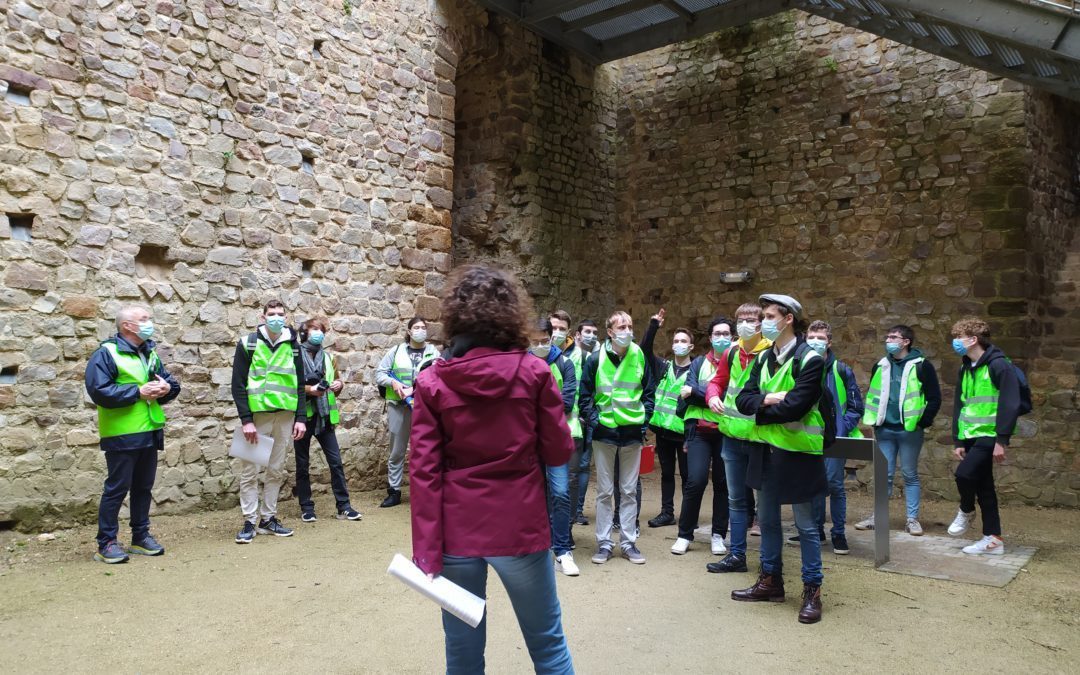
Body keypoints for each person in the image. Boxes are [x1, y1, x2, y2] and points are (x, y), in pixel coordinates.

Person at [409, 264, 575, 674]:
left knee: (463, 656)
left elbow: (424, 472)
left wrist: (427, 551)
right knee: (549, 648)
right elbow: (558, 452)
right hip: (519, 526)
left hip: (458, 532)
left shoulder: (432, 382)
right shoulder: (536, 373)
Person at [735, 294, 826, 624]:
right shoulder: (761, 359)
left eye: (770, 316)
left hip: (798, 453)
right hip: (765, 451)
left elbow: (797, 406)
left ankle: (812, 591)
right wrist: (769, 399)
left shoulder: (811, 359)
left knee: (806, 527)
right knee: (768, 520)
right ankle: (770, 581)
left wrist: (761, 407)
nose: (762, 323)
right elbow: (743, 399)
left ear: (788, 318)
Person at [85, 306, 181, 563]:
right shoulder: (106, 354)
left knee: (143, 487)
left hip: (149, 431)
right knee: (116, 489)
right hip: (121, 433)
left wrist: (166, 388)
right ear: (127, 326)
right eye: (144, 319)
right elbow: (99, 391)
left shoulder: (149, 353)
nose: (149, 323)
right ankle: (106, 543)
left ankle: (140, 537)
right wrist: (137, 393)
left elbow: (172, 383)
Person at [578, 311, 655, 565]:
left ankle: (628, 542)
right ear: (610, 332)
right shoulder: (595, 359)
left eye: (630, 326)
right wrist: (595, 420)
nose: (627, 330)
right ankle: (604, 543)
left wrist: (643, 423)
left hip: (632, 433)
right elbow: (585, 395)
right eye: (622, 326)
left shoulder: (639, 355)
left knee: (629, 491)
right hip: (604, 434)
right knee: (604, 491)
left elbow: (649, 392)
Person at [230, 300, 307, 543]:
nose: (276, 318)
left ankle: (268, 518)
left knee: (275, 470)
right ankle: (249, 521)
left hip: (284, 417)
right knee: (250, 471)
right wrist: (246, 420)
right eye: (271, 314)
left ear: (286, 318)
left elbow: (300, 384)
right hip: (257, 418)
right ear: (262, 317)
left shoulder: (294, 346)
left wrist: (301, 418)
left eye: (280, 314)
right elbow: (238, 385)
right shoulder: (248, 344)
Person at [946, 318, 1023, 555]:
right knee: (984, 486)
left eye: (959, 337)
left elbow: (1011, 403)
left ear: (973, 339)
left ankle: (966, 510)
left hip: (989, 434)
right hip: (970, 433)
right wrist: (958, 440)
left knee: (964, 474)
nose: (955, 342)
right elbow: (961, 404)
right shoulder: (966, 367)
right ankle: (993, 539)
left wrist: (1002, 440)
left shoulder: (999, 365)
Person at [856, 324, 941, 535]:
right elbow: (876, 394)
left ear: (906, 342)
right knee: (884, 475)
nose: (888, 340)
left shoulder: (922, 365)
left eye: (894, 337)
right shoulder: (881, 364)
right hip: (885, 429)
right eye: (888, 336)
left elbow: (934, 398)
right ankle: (877, 517)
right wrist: (876, 422)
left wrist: (922, 422)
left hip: (909, 430)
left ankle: (912, 520)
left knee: (909, 474)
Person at [791, 320, 863, 555]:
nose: (815, 342)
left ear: (829, 342)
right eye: (811, 337)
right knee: (814, 486)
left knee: (834, 485)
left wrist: (841, 428)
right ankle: (817, 531)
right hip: (807, 438)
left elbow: (855, 407)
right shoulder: (798, 366)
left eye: (820, 338)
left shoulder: (841, 370)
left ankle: (839, 534)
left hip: (835, 439)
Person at [706, 303, 768, 574]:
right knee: (736, 500)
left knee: (765, 502)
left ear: (761, 322)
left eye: (751, 319)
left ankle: (768, 561)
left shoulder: (770, 351)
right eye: (740, 319)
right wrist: (712, 396)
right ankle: (737, 556)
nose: (745, 324)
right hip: (731, 435)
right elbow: (717, 381)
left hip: (760, 437)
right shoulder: (732, 351)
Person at [671, 317, 732, 557]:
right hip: (699, 432)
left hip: (726, 431)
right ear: (710, 338)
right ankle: (684, 535)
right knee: (695, 481)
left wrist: (697, 392)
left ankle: (718, 535)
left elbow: (731, 395)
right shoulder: (698, 364)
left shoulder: (737, 363)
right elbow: (684, 394)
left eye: (726, 333)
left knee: (723, 484)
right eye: (717, 334)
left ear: (732, 336)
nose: (721, 337)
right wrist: (707, 395)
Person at [294, 317, 361, 523]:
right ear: (304, 333)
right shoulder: (294, 355)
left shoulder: (328, 358)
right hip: (302, 417)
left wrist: (339, 385)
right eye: (313, 329)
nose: (318, 333)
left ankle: (344, 506)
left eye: (321, 330)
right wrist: (310, 390)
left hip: (324, 418)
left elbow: (335, 384)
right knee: (302, 463)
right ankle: (306, 507)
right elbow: (291, 386)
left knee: (336, 462)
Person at [530, 318, 582, 577]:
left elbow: (568, 403)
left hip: (556, 440)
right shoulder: (522, 363)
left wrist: (535, 408)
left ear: (551, 338)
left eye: (543, 340)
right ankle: (539, 548)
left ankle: (562, 550)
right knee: (534, 495)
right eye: (534, 341)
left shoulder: (564, 363)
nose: (539, 345)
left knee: (560, 493)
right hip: (529, 443)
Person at [374, 317, 439, 508]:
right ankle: (394, 491)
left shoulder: (433, 353)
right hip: (399, 406)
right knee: (397, 450)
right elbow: (380, 373)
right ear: (409, 331)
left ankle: (423, 492)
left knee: (424, 451)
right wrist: (393, 383)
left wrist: (417, 389)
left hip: (424, 407)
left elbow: (439, 376)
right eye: (416, 327)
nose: (420, 330)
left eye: (423, 327)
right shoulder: (396, 351)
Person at [640, 308, 692, 529]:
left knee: (689, 477)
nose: (679, 343)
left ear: (691, 347)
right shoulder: (664, 367)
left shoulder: (697, 369)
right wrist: (653, 326)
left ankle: (689, 516)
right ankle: (667, 512)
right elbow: (644, 351)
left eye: (684, 341)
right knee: (667, 475)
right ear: (672, 345)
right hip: (663, 431)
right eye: (676, 340)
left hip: (685, 433)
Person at [564, 319, 599, 526]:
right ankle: (567, 511)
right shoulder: (566, 355)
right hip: (570, 417)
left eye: (594, 332)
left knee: (583, 466)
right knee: (571, 469)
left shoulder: (591, 357)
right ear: (577, 334)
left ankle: (576, 510)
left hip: (584, 418)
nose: (591, 336)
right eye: (587, 331)